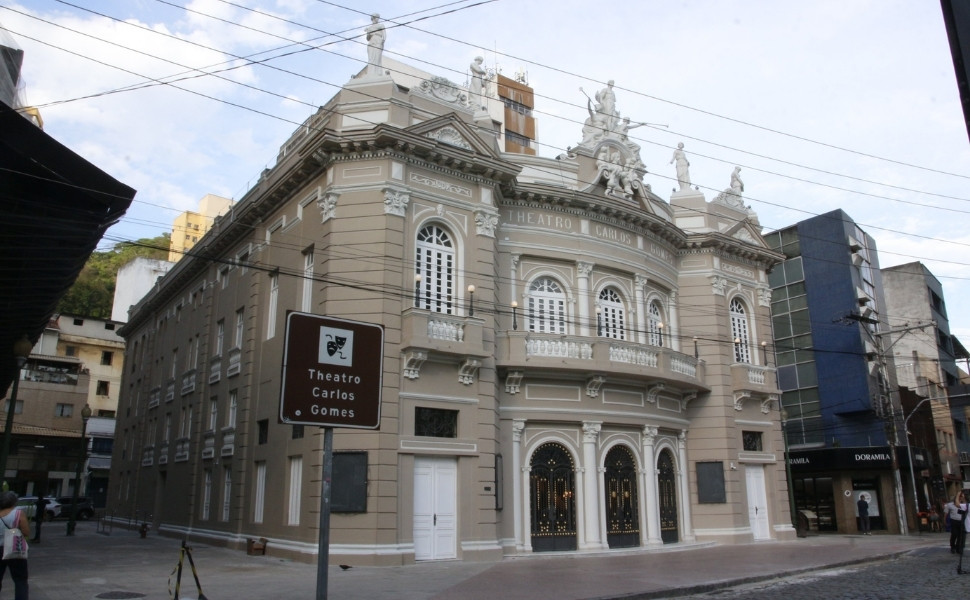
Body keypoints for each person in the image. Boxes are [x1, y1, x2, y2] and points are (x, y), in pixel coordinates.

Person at [0, 491, 30, 599]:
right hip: (14, 548)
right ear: (14, 502)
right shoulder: (18, 513)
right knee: (20, 580)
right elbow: (26, 532)